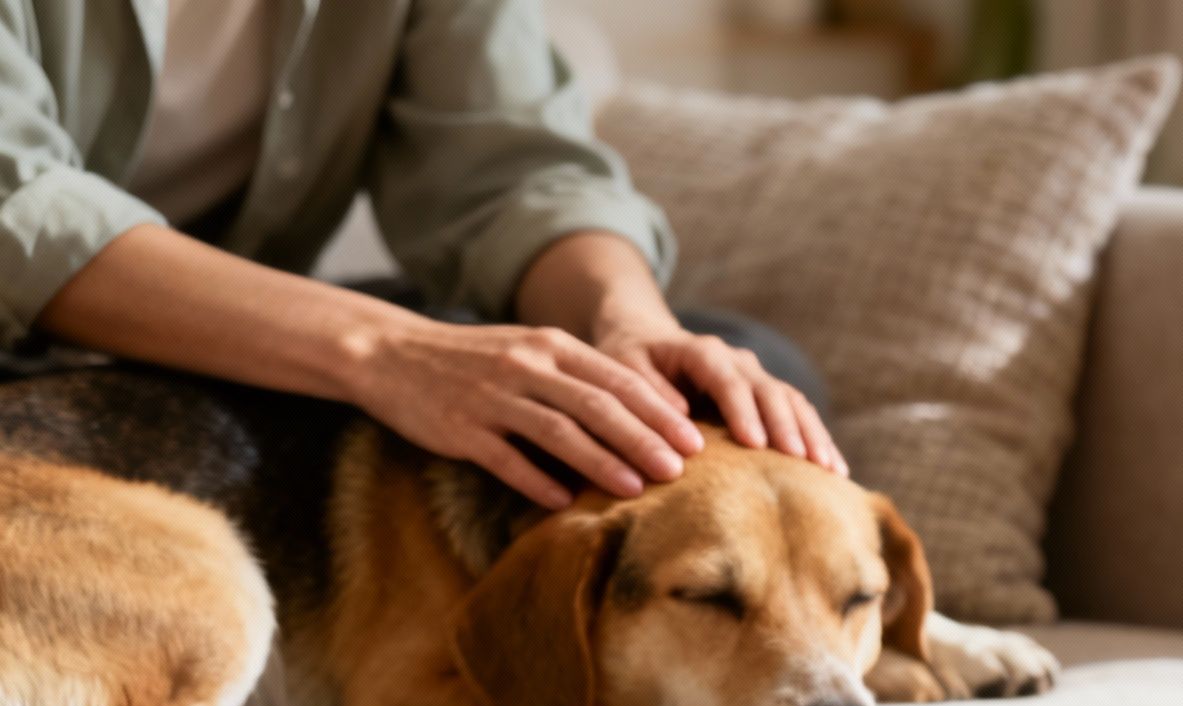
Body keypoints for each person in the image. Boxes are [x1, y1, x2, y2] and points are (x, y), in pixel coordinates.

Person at [0, 0, 842, 510]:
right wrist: (388, 353)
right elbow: (19, 206)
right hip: (26, 362)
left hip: (222, 361)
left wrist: (627, 325)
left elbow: (513, 171)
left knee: (736, 381)